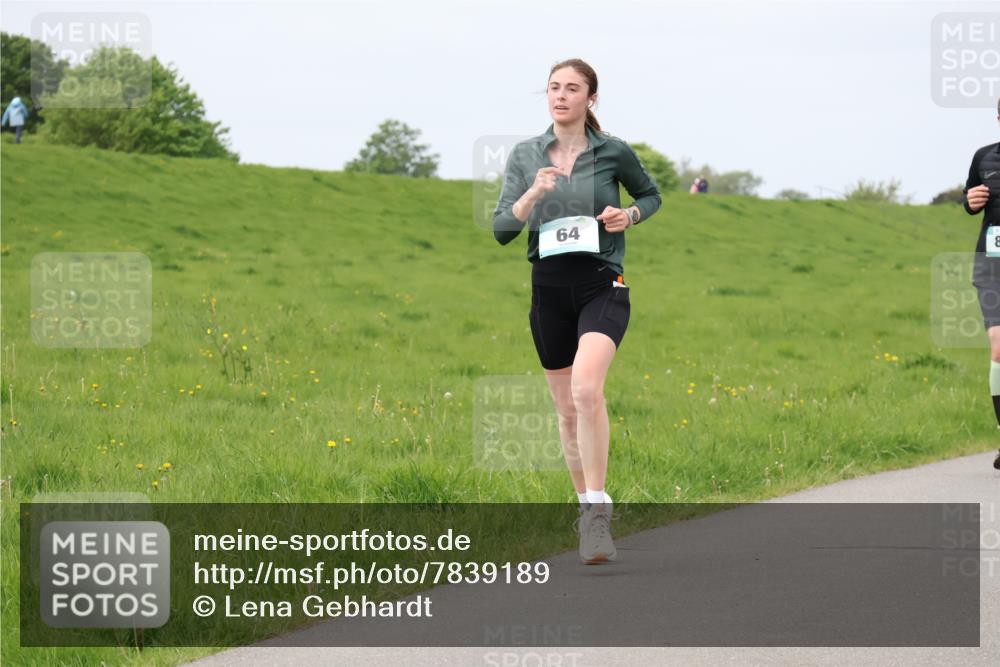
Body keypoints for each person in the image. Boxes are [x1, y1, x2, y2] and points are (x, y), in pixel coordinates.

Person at [493, 58, 662, 562]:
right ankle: (584, 508)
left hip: (601, 285)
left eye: (572, 88)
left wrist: (628, 215)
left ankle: (598, 509)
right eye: (553, 88)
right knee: (567, 411)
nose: (560, 96)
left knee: (587, 390)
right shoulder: (526, 154)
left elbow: (650, 195)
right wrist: (533, 193)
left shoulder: (613, 152)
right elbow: (503, 230)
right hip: (548, 290)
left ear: (591, 98)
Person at [961, 96, 1000, 470]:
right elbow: (968, 199)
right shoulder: (983, 157)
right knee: (999, 349)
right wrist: (970, 201)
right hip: (992, 266)